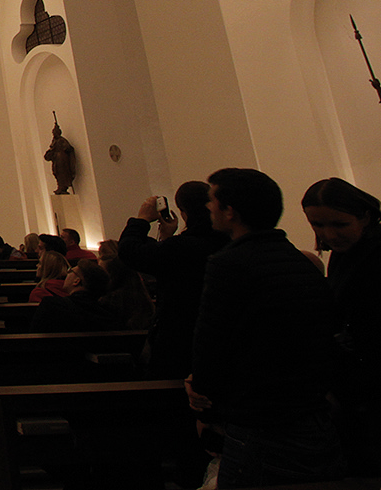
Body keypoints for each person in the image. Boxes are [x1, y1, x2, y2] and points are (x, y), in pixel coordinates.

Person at [187, 168, 342, 488]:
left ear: (230, 211)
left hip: (257, 416)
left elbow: (212, 341)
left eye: (212, 201)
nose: (208, 208)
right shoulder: (301, 261)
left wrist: (203, 395)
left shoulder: (228, 263)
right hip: (309, 411)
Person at [301, 177, 381, 477]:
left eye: (339, 224)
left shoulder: (373, 254)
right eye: (318, 226)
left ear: (365, 216)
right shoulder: (345, 254)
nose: (328, 234)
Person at [116, 182, 227, 377]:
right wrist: (168, 238)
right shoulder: (227, 242)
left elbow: (129, 252)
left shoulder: (183, 247)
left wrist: (141, 220)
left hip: (179, 337)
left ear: (185, 212)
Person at [30, 260, 117, 332]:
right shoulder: (109, 312)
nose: (66, 274)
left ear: (76, 281)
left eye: (70, 271)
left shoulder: (51, 305)